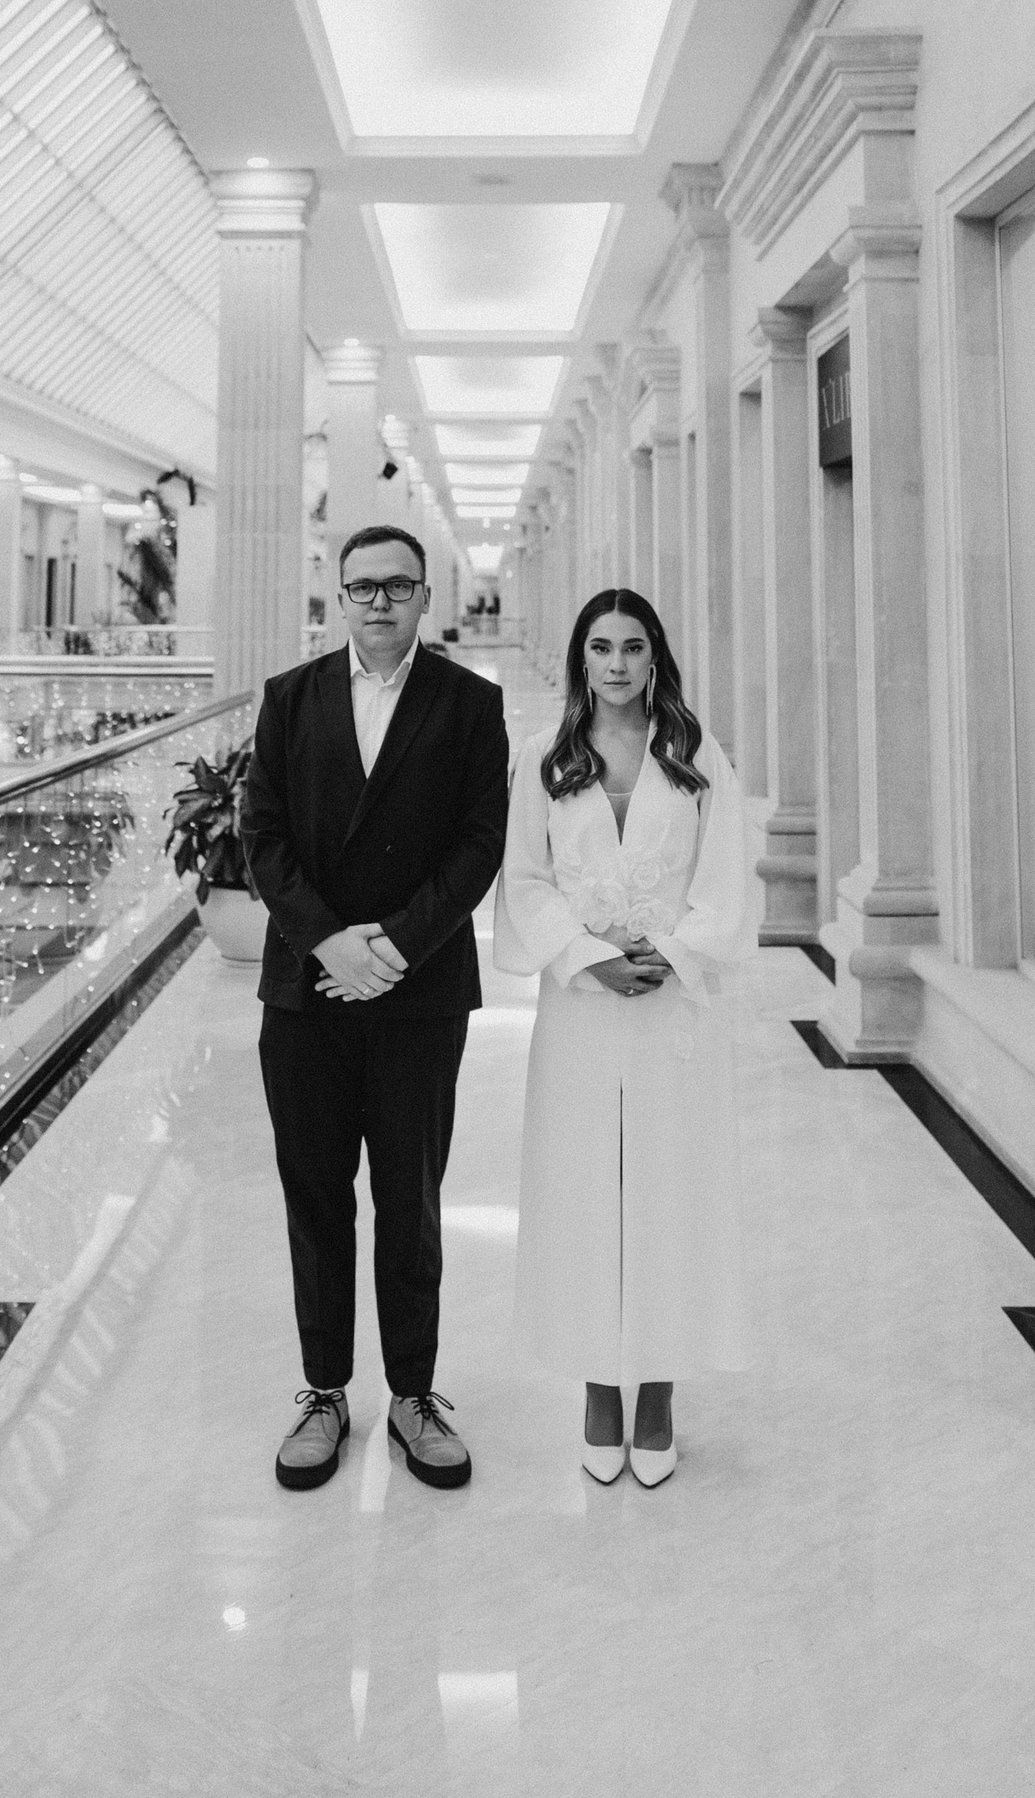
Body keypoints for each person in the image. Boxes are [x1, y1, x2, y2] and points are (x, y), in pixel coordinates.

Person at [242, 525, 511, 1494]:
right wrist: (330, 943)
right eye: (364, 586)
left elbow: (480, 842)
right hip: (306, 991)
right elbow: (261, 835)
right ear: (339, 596)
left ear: (425, 595)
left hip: (418, 991)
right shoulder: (289, 698)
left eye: (398, 585)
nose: (381, 601)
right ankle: (323, 1393)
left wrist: (393, 948)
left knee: (410, 1201)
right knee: (316, 1199)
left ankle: (412, 1395)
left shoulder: (470, 703)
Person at [493, 587, 750, 1487]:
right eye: (600, 646)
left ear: (654, 657)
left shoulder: (695, 754)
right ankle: (600, 1385)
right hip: (582, 1007)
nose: (616, 663)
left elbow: (725, 878)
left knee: (669, 1188)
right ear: (581, 657)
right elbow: (524, 880)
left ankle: (660, 1387)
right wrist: (587, 956)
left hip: (673, 1011)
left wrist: (673, 952)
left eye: (632, 646)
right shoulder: (545, 756)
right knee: (585, 1188)